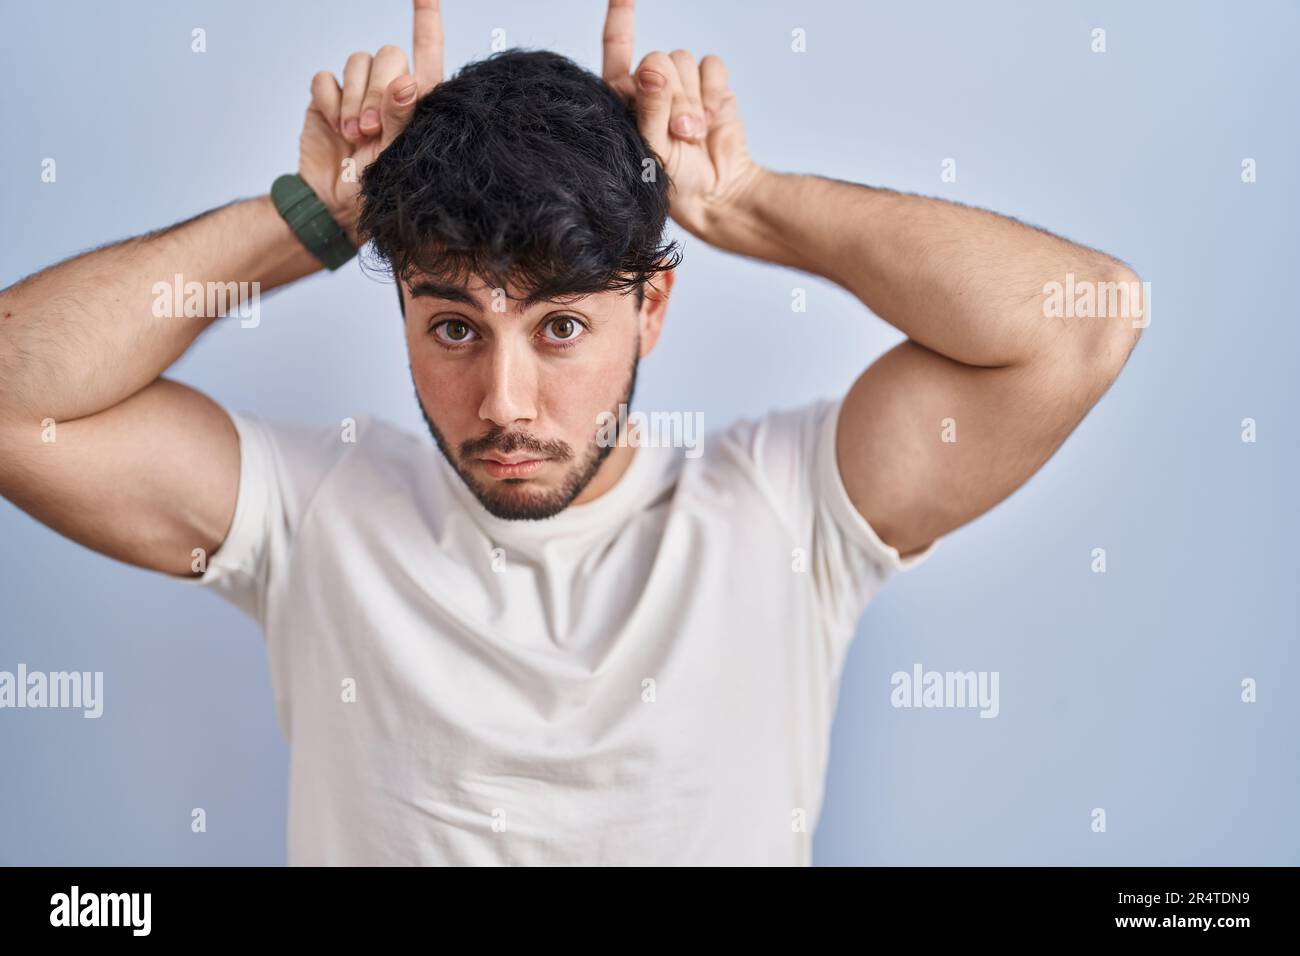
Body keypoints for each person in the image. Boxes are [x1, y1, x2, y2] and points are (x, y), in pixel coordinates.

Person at [0, 0, 1143, 865]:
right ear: (398, 302)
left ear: (649, 305)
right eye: (453, 323)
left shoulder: (788, 511)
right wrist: (311, 220)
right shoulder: (312, 516)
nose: (503, 400)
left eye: (559, 326)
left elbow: (1081, 325)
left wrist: (744, 202)